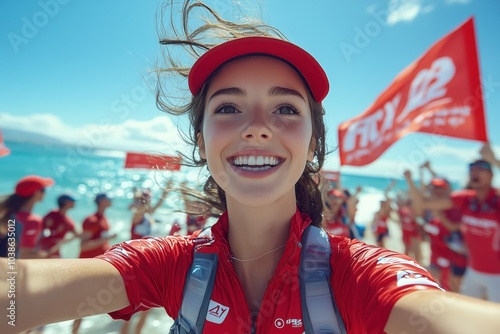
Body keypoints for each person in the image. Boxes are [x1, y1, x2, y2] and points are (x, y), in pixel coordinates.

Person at [2, 2, 500, 333]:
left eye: (286, 109)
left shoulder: (358, 276)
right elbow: (17, 297)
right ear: (202, 142)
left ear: (312, 146)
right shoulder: (166, 265)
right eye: (228, 108)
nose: (257, 127)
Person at [404, 148, 500, 303]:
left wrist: (494, 159)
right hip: (472, 272)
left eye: (481, 169)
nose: (475, 172)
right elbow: (423, 203)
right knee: (465, 312)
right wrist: (410, 180)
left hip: (496, 275)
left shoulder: (497, 200)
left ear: (491, 175)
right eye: (472, 169)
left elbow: (451, 224)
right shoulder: (466, 199)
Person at [120, 185, 170, 334]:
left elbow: (151, 208)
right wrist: (139, 197)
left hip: (148, 267)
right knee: (129, 311)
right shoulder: (136, 217)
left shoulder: (148, 217)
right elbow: (141, 210)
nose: (146, 203)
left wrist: (165, 193)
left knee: (146, 310)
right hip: (133, 267)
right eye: (144, 201)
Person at [72, 193, 117, 334]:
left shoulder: (104, 218)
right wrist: (107, 239)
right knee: (81, 306)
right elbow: (83, 246)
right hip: (86, 268)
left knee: (89, 305)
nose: (111, 201)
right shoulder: (91, 220)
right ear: (102, 201)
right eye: (109, 199)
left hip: (97, 267)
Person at [0, 175, 54, 259]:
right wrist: (46, 254)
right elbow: (25, 256)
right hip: (16, 270)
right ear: (36, 192)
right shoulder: (32, 221)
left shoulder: (9, 215)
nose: (45, 193)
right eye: (43, 190)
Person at [38, 194, 80, 258]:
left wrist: (61, 243)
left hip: (55, 251)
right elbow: (40, 230)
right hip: (42, 250)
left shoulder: (68, 220)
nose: (74, 203)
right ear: (66, 202)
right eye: (72, 201)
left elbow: (77, 234)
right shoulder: (52, 215)